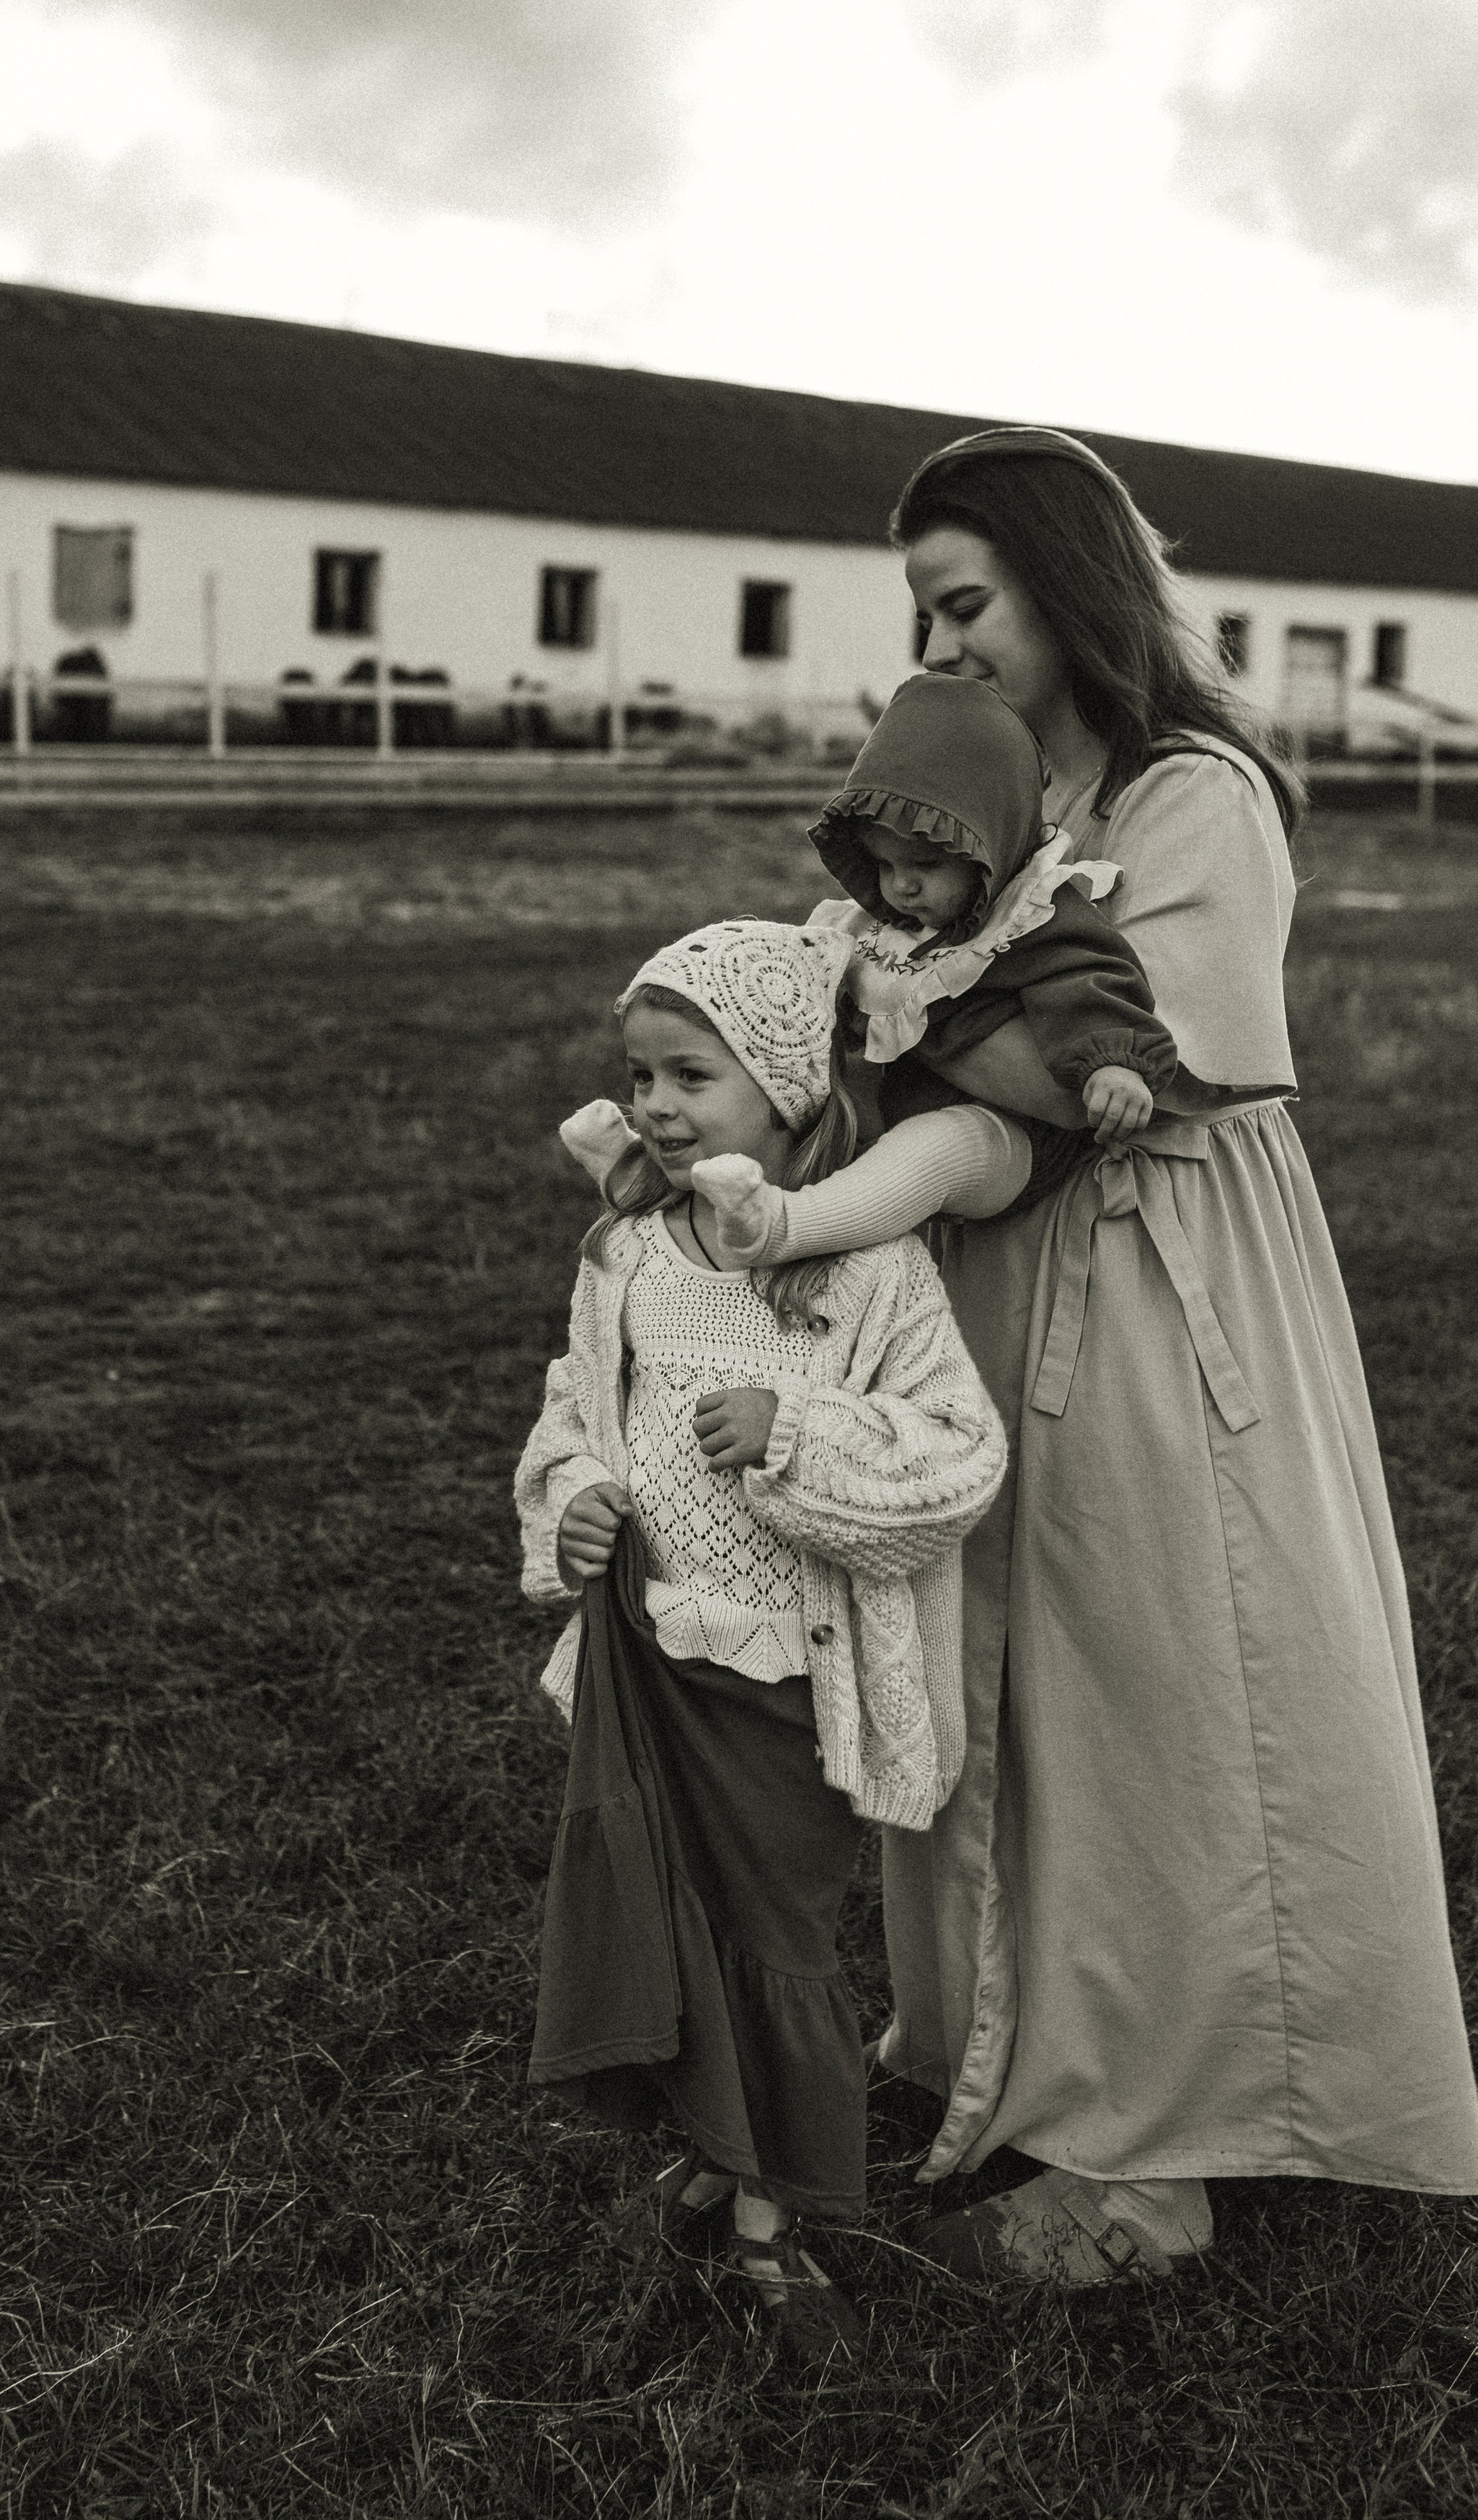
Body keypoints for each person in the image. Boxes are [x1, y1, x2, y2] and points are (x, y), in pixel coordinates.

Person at [722, 425, 1478, 2285]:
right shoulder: (1004, 798)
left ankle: (1164, 2152)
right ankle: (1027, 2049)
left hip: (1160, 1275)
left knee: (1168, 1664)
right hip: (996, 1266)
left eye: (965, 600)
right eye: (921, 608)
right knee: (1009, 1668)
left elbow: (1089, 1067)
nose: (941, 643)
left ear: (1071, 587)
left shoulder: (1189, 792)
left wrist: (873, 1031)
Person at [515, 917, 1006, 2359]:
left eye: (690, 1078)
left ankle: (766, 2221)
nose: (654, 1107)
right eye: (638, 1076)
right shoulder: (627, 1256)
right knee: (665, 1919)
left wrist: (793, 1434)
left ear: (790, 1089)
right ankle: (730, 2178)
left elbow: (952, 1461)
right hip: (649, 1661)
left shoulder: (869, 1275)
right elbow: (572, 1415)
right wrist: (583, 1504)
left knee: (771, 1938)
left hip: (787, 1686)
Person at [564, 667, 1285, 1264]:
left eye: (926, 864)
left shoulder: (1034, 914)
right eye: (880, 865)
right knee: (785, 1112)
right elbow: (798, 973)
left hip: (1008, 1137)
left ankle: (784, 1230)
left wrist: (1112, 1065)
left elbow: (1092, 983)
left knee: (932, 1150)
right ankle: (644, 1182)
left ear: (990, 845)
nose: (900, 886)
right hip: (900, 1098)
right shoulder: (886, 921)